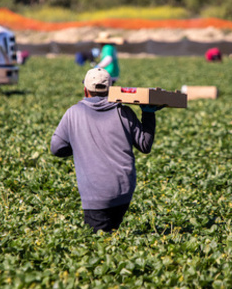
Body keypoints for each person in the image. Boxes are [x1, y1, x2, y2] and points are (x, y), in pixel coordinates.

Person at [50, 68, 162, 233]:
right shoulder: (124, 111)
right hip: (124, 191)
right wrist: (148, 114)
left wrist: (79, 146)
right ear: (111, 89)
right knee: (113, 235)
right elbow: (145, 145)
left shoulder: (73, 113)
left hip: (95, 195)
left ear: (85, 90)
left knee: (98, 245)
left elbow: (56, 148)